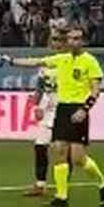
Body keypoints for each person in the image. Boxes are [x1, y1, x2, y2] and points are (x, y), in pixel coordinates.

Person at [1, 27, 104, 207]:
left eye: (78, 38)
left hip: (78, 109)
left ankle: (102, 184)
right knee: (58, 150)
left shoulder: (90, 61)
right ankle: (61, 197)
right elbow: (36, 62)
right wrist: (11, 61)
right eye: (71, 39)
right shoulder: (61, 59)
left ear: (82, 41)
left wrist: (85, 109)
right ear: (67, 42)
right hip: (62, 109)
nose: (75, 42)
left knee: (78, 158)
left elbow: (95, 90)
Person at [24, 30, 63, 197]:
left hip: (63, 111)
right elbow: (40, 88)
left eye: (58, 40)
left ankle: (63, 187)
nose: (55, 44)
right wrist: (37, 106)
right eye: (53, 40)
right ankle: (40, 184)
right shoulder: (45, 65)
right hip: (47, 112)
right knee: (40, 146)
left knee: (61, 149)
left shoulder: (68, 64)